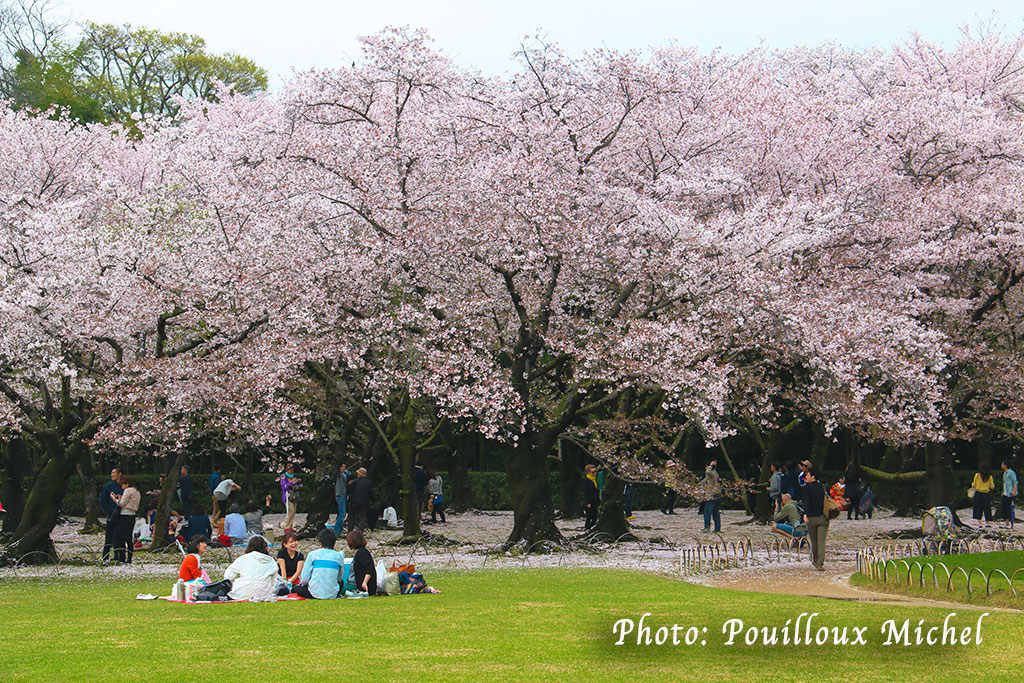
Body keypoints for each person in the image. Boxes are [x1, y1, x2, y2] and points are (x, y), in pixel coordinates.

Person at [224, 536, 280, 601]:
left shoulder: (243, 559)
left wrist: (231, 586)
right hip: (264, 593)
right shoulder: (271, 561)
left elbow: (229, 575)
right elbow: (274, 581)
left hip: (242, 593)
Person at [296, 529, 345, 599]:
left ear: (320, 543)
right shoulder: (339, 556)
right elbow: (339, 578)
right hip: (332, 593)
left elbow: (304, 580)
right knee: (341, 583)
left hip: (314, 593)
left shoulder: (312, 555)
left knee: (295, 589)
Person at [802, 468, 828, 571]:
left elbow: (806, 502)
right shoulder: (823, 487)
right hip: (823, 517)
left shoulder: (806, 488)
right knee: (821, 541)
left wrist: (805, 513)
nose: (806, 477)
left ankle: (816, 560)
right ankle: (820, 563)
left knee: (814, 541)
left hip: (811, 518)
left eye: (807, 475)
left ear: (813, 476)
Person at [111, 476, 140, 563]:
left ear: (127, 484)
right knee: (128, 537)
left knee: (117, 536)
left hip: (124, 515)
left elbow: (122, 504)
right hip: (132, 516)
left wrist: (115, 499)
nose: (122, 487)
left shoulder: (128, 490)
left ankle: (120, 556)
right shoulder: (136, 491)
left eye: (122, 485)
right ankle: (129, 557)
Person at [100, 466, 123, 562]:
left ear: (119, 474)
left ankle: (119, 556)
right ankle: (105, 557)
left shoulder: (124, 486)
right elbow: (103, 501)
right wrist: (110, 511)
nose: (112, 475)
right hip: (111, 515)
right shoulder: (108, 486)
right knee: (109, 538)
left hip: (122, 515)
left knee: (120, 537)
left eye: (114, 473)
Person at [346, 529, 377, 595]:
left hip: (356, 585)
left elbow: (369, 568)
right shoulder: (359, 553)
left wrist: (364, 582)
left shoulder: (362, 552)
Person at [700, 459, 722, 533]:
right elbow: (703, 482)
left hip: (712, 496)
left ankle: (707, 527)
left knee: (707, 512)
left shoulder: (711, 472)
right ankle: (717, 528)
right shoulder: (715, 474)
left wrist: (711, 466)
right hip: (716, 495)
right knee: (715, 513)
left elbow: (708, 472)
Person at [348, 467, 373, 532]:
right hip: (364, 503)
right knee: (362, 517)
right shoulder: (369, 482)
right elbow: (371, 493)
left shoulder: (354, 481)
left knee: (351, 517)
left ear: (359, 474)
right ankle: (360, 532)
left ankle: (350, 531)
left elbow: (349, 490)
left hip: (353, 502)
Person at [973, 462, 995, 527]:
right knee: (987, 508)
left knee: (978, 507)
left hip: (978, 493)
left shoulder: (977, 475)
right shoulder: (990, 477)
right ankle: (987, 521)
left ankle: (979, 521)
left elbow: (974, 484)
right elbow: (992, 486)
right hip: (986, 494)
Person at [280, 463, 301, 531]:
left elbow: (297, 484)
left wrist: (298, 483)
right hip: (287, 495)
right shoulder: (283, 476)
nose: (291, 471)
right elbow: (284, 487)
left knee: (294, 511)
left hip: (294, 495)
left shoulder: (293, 476)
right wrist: (291, 482)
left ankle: (290, 526)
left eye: (292, 470)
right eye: (290, 470)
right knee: (291, 511)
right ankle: (287, 526)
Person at [332, 464, 351, 534]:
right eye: (342, 467)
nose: (344, 468)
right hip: (341, 495)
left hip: (341, 495)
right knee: (342, 514)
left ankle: (339, 528)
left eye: (344, 467)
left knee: (341, 513)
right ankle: (336, 530)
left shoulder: (341, 475)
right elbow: (346, 479)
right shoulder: (340, 475)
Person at [582, 464, 599, 530]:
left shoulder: (594, 480)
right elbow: (585, 492)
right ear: (588, 472)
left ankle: (592, 528)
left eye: (595, 472)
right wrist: (587, 502)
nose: (594, 473)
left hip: (595, 500)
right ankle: (587, 528)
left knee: (594, 516)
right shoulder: (586, 481)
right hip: (590, 501)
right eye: (593, 472)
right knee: (589, 516)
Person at [1001, 459, 1018, 527]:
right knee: (1004, 508)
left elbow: (1015, 482)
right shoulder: (1005, 473)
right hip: (1005, 493)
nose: (1001, 465)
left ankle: (1011, 523)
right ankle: (1006, 522)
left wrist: (1014, 491)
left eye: (1002, 464)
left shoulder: (1011, 472)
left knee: (1009, 508)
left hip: (1010, 493)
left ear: (1005, 465)